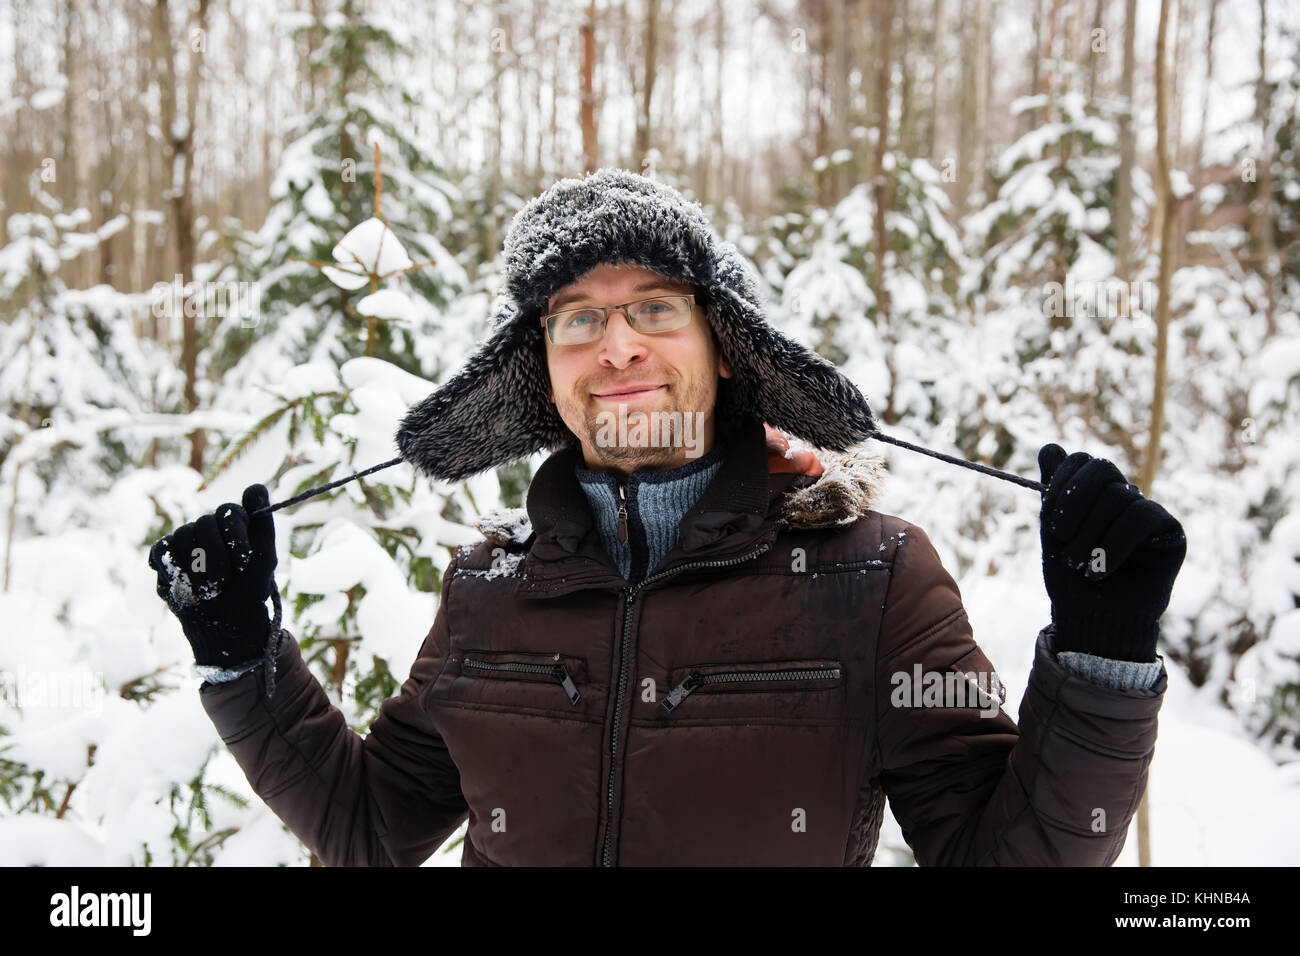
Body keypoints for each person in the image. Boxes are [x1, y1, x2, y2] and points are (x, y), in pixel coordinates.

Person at [149, 168, 1186, 866]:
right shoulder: (486, 592)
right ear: (542, 371)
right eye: (578, 319)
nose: (617, 347)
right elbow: (371, 826)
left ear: (723, 342)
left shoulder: (871, 578)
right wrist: (244, 658)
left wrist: (1099, 661)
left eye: (654, 307)